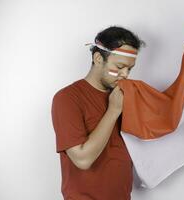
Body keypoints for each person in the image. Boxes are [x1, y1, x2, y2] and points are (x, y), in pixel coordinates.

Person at [51, 26, 144, 200]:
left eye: (129, 69)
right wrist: (113, 110)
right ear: (98, 58)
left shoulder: (124, 95)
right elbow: (82, 160)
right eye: (120, 66)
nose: (125, 75)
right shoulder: (67, 98)